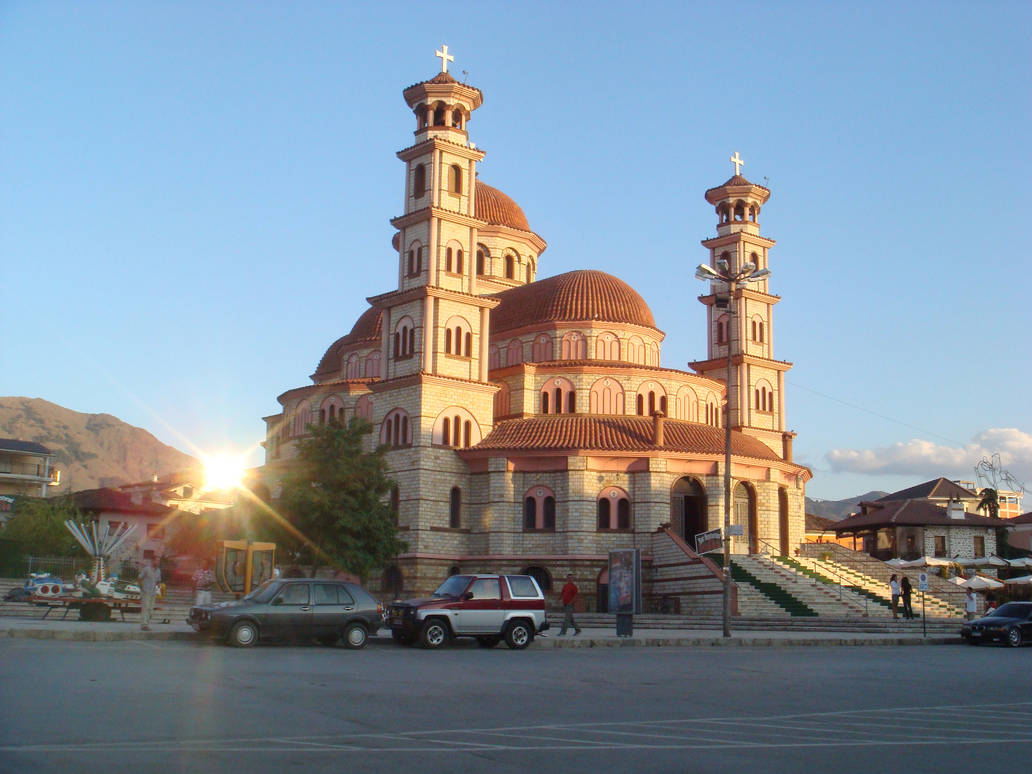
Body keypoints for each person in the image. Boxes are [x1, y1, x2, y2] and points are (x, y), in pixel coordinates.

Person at [138, 556, 162, 631]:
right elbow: (139, 578)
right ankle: (144, 625)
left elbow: (158, 581)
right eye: (156, 561)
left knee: (150, 609)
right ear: (152, 561)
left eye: (158, 561)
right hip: (146, 591)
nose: (157, 562)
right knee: (145, 608)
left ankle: (147, 624)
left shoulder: (158, 571)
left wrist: (158, 591)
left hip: (153, 592)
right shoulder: (146, 569)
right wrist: (142, 588)